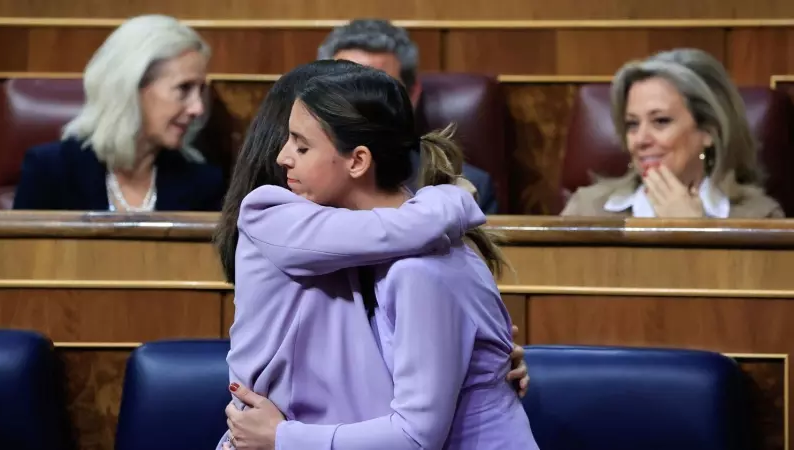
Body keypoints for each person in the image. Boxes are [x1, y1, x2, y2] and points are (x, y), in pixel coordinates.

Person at [213, 60, 529, 449]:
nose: (284, 156)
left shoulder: (415, 267)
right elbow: (395, 229)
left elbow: (415, 435)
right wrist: (452, 200)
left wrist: (485, 362)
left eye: (302, 144)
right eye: (289, 139)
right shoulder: (275, 216)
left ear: (358, 159)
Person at [13, 15, 225, 211]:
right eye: (184, 88)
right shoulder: (50, 171)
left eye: (200, 91)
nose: (198, 108)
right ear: (130, 88)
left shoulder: (204, 184)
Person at [561, 48, 783, 218]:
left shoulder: (759, 217)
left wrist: (694, 235)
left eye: (661, 121)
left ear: (708, 131)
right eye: (632, 124)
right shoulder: (586, 210)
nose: (640, 140)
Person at [317, 19, 500, 214]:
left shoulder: (465, 189)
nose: (360, 104)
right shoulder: (293, 178)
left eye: (380, 90)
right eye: (345, 87)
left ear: (412, 95)